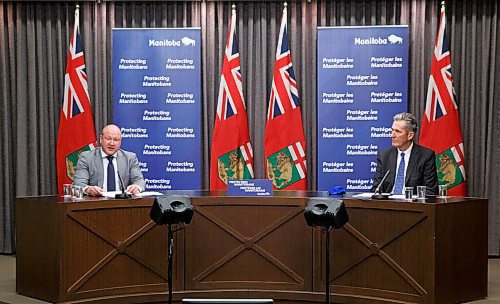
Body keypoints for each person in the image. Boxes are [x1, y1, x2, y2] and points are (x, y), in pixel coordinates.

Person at [371, 112, 438, 195]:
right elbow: (376, 188)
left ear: (410, 135)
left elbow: (430, 191)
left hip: (413, 206)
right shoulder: (384, 155)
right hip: (388, 205)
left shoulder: (426, 156)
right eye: (392, 130)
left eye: (398, 131)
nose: (393, 135)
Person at [73, 124, 146, 197]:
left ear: (120, 142)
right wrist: (88, 189)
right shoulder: (86, 157)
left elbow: (139, 180)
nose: (112, 143)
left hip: (122, 203)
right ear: (101, 139)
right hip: (96, 202)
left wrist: (136, 187)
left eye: (116, 140)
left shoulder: (130, 158)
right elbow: (79, 183)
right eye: (108, 139)